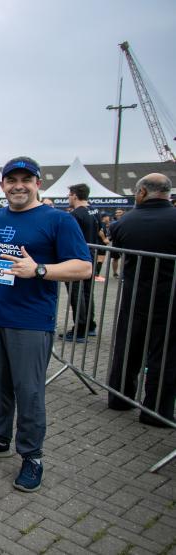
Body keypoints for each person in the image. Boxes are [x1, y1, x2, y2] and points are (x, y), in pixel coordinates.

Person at [0, 156, 92, 492]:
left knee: (29, 391)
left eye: (26, 179)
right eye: (12, 180)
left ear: (38, 183)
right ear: (3, 184)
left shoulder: (57, 220)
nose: (18, 185)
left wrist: (40, 270)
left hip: (32, 322)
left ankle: (32, 456)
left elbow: (83, 268)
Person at [107, 173, 176, 426]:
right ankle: (157, 410)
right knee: (165, 355)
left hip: (135, 294)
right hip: (169, 297)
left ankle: (118, 397)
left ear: (142, 192)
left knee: (127, 347)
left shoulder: (126, 222)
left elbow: (117, 240)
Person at [59, 183, 99, 342]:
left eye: (69, 195)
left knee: (77, 293)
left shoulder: (75, 215)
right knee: (88, 292)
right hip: (90, 256)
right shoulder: (93, 211)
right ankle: (90, 325)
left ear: (75, 195)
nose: (68, 198)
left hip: (75, 258)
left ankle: (80, 329)